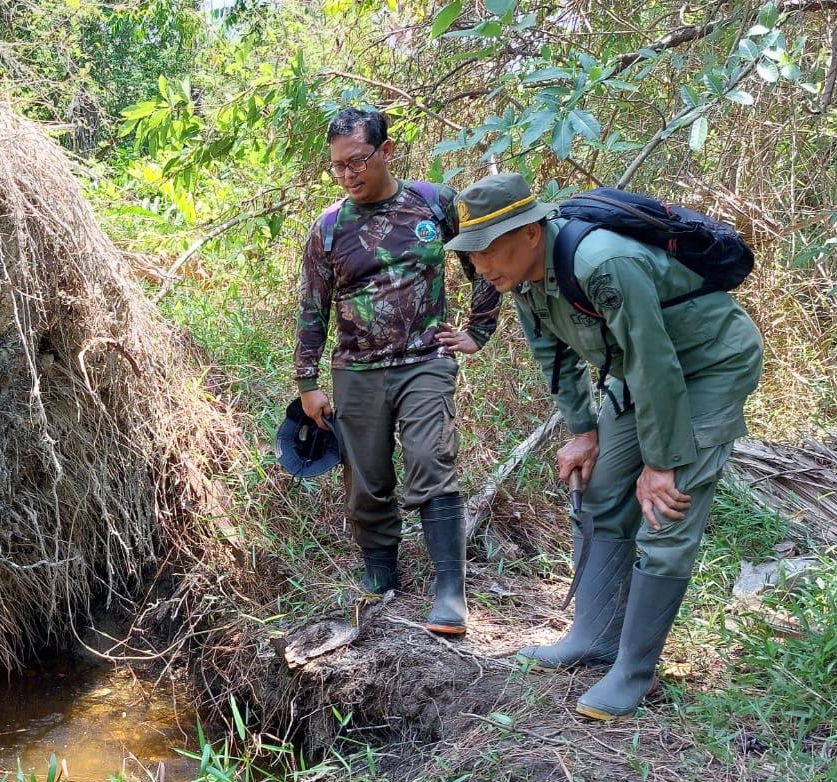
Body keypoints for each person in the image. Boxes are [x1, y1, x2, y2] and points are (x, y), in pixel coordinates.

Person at [444, 173, 763, 719]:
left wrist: (662, 464)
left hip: (707, 366)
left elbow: (654, 360)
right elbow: (556, 356)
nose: (480, 266)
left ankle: (633, 673)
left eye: (489, 248)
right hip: (637, 371)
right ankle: (594, 637)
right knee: (600, 488)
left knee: (665, 510)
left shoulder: (601, 262)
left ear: (530, 232)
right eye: (471, 254)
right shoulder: (519, 277)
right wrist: (582, 432)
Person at [294, 107, 501, 636]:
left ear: (386, 151)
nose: (349, 175)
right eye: (338, 167)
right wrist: (308, 383)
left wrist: (478, 330)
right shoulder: (329, 227)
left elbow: (484, 262)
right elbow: (312, 307)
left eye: (358, 161)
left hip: (424, 361)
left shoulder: (435, 203)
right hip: (356, 370)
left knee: (431, 458)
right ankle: (382, 574)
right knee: (366, 481)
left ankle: (449, 590)